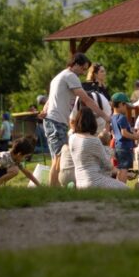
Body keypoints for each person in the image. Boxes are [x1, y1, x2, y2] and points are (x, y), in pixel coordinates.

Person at [42, 53, 111, 187]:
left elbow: (50, 99)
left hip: (55, 121)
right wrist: (104, 115)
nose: (83, 72)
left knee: (57, 159)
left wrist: (44, 110)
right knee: (58, 160)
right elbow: (86, 99)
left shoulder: (60, 76)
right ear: (76, 65)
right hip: (56, 122)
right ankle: (52, 191)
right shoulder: (70, 76)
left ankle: (56, 189)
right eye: (83, 69)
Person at [69, 108, 127, 191]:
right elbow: (108, 165)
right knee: (125, 188)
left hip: (79, 182)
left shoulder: (72, 138)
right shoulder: (94, 140)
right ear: (92, 122)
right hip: (94, 181)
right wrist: (121, 171)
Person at [109, 93, 136, 183]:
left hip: (117, 146)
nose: (126, 108)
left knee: (120, 168)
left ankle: (118, 186)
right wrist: (137, 136)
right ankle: (122, 188)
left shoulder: (113, 117)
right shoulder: (122, 117)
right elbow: (124, 134)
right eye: (125, 105)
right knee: (124, 169)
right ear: (120, 104)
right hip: (125, 146)